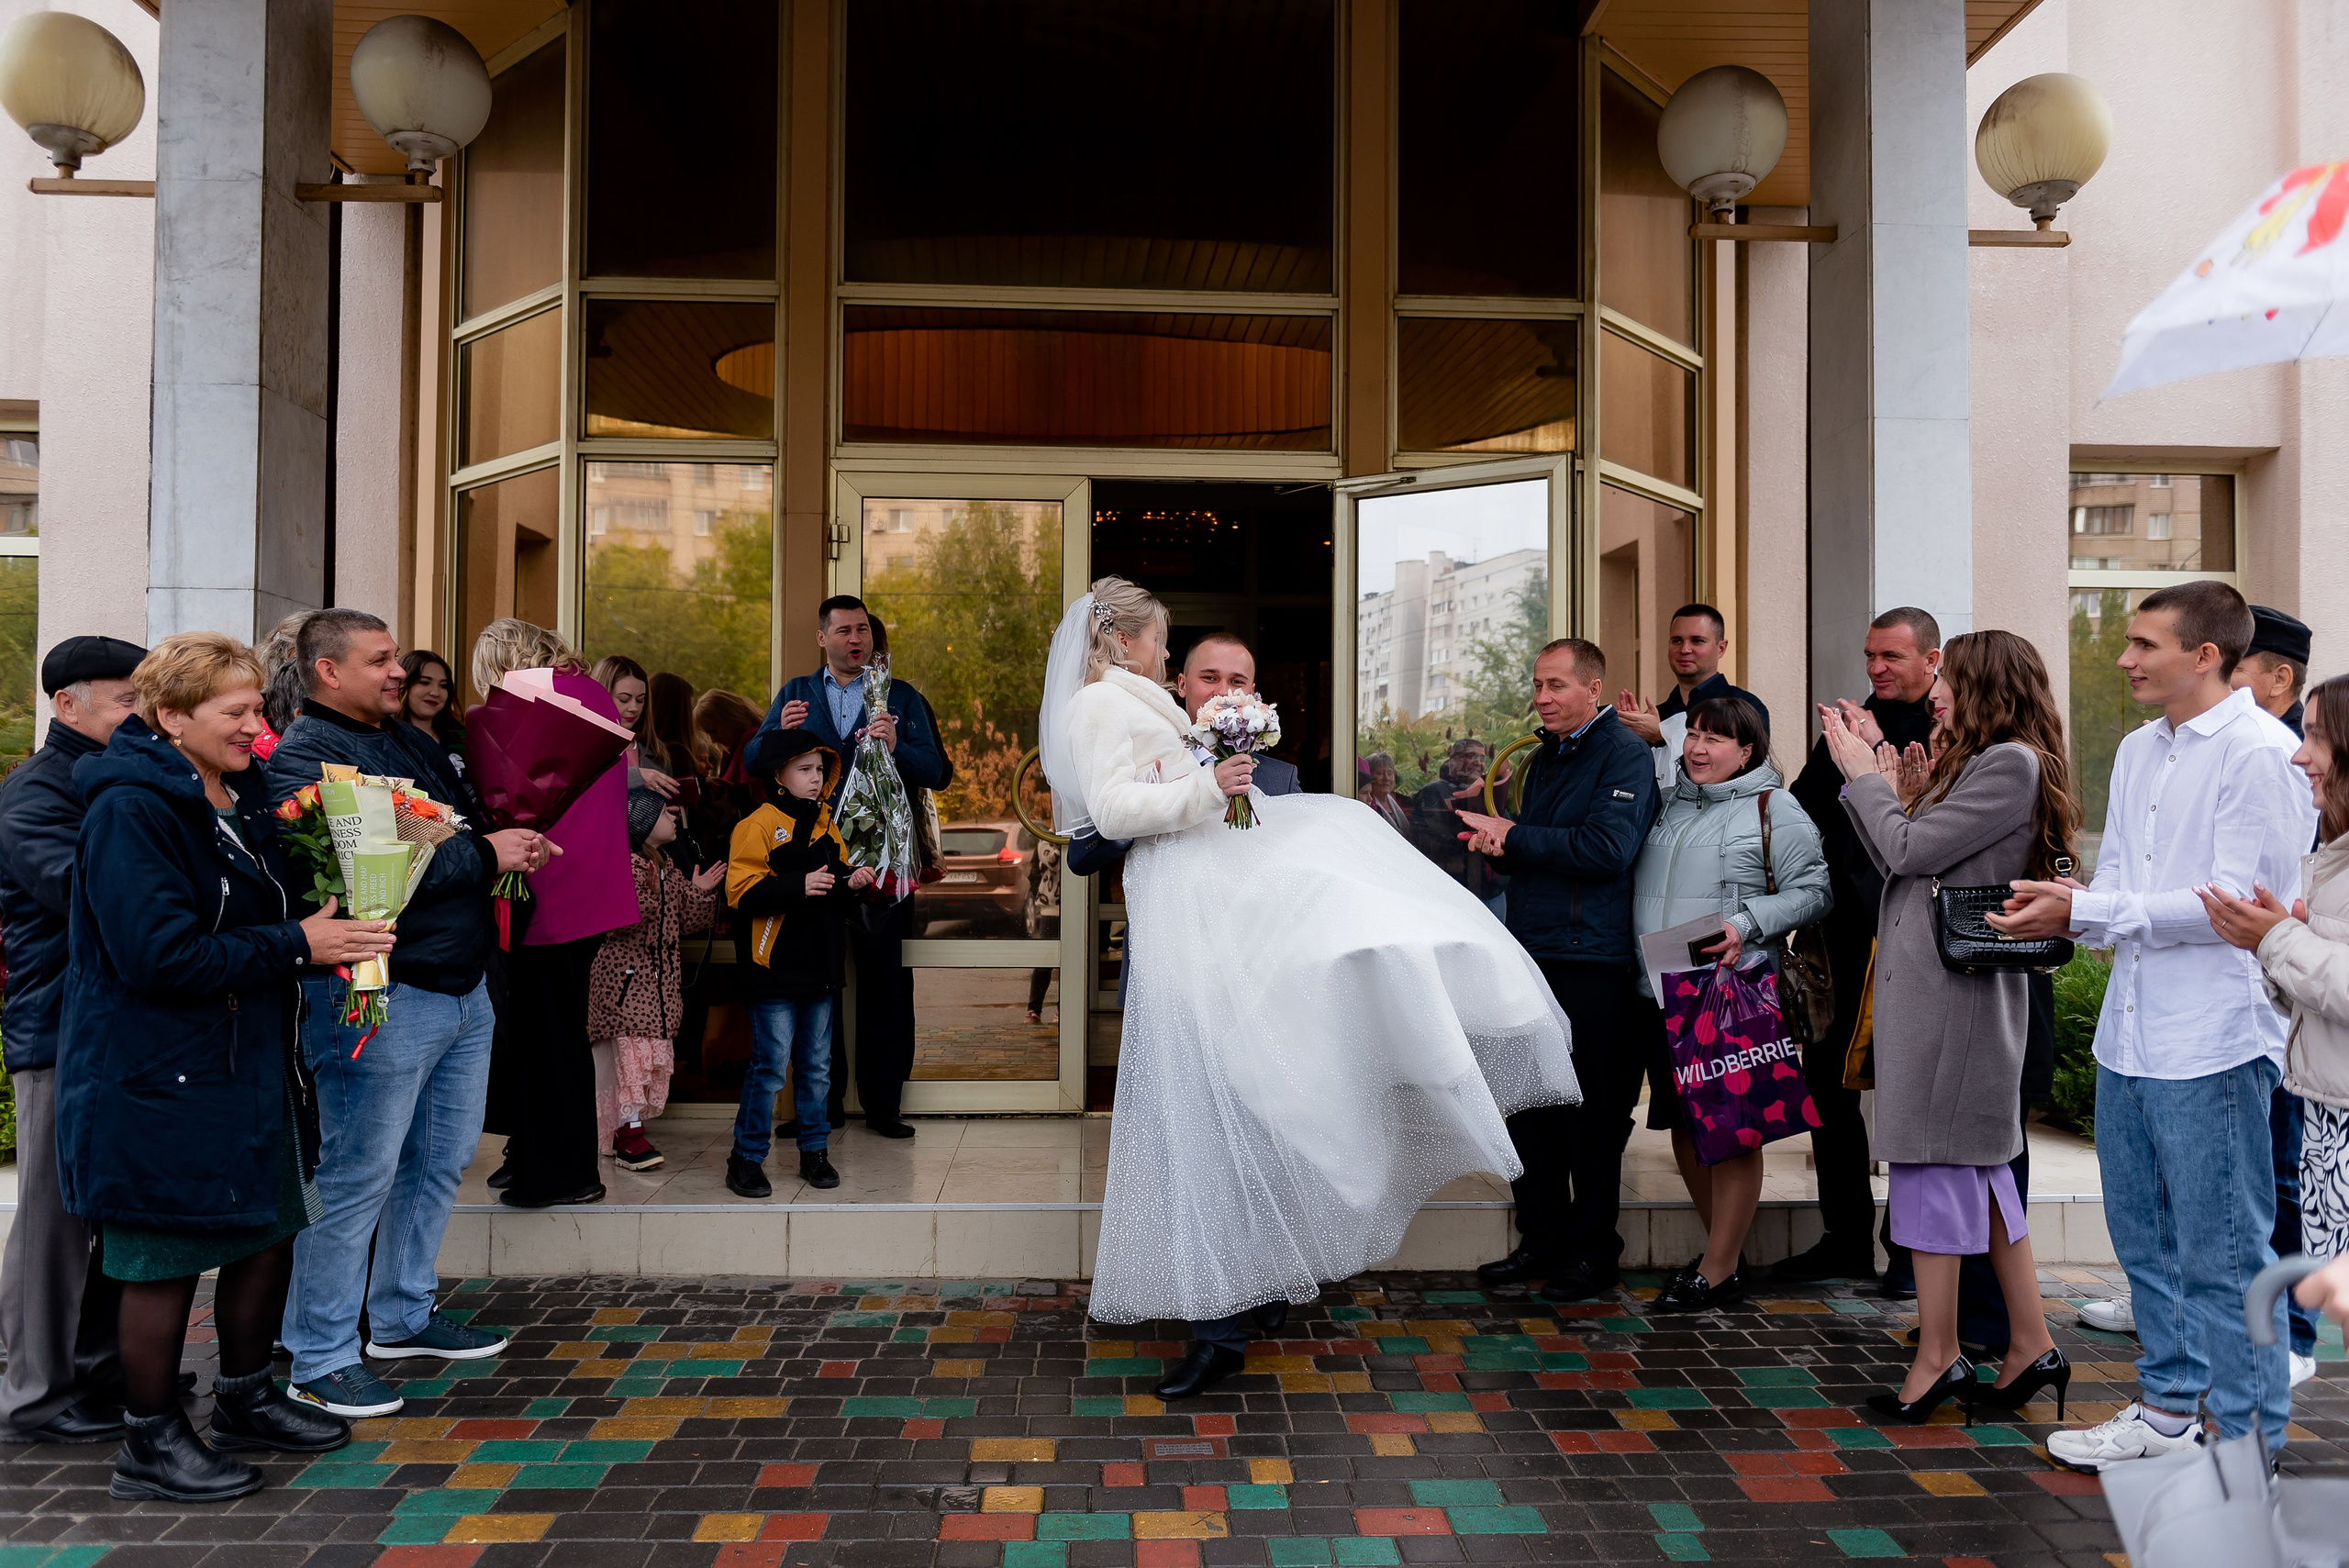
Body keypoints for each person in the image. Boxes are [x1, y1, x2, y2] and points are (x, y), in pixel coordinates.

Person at [1042, 578, 1576, 1400]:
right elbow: (1110, 814)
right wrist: (1208, 786)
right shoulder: (1109, 706)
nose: (1169, 655)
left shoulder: (1158, 711)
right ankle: (1221, 1320)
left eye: (1233, 681)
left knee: (1251, 1113)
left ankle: (1251, 1293)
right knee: (1199, 1120)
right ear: (1129, 642)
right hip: (1189, 933)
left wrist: (1224, 782)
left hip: (1234, 936)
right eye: (1164, 642)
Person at [60, 633, 392, 1499]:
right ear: (170, 716)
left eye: (258, 707)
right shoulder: (130, 807)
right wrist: (299, 942)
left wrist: (332, 917)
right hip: (159, 1079)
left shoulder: (237, 795)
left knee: (267, 1228)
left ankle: (246, 1397)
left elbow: (262, 917)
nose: (258, 726)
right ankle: (150, 1441)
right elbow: (156, 956)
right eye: (236, 712)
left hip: (248, 1065)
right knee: (161, 1257)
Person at [1995, 580, 2315, 1468]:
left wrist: (2085, 907)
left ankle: (2248, 1447)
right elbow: (2131, 887)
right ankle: (2169, 1412)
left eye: (2142, 643)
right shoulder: (2140, 746)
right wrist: (2073, 909)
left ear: (2203, 653)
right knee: (2143, 1243)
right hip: (2131, 1031)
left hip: (2210, 1036)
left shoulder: (2257, 750)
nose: (2124, 657)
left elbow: (2230, 904)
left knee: (2222, 1255)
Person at [265, 610, 546, 1419]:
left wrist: (491, 838)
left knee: (438, 1160)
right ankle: (318, 1355)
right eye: (381, 659)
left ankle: (401, 1316)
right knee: (356, 1176)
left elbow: (447, 829)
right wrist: (489, 850)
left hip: (460, 988)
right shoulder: (306, 757)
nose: (401, 671)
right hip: (379, 994)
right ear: (327, 670)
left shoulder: (408, 741)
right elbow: (388, 856)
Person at [1821, 629, 2076, 1423]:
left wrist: (1866, 778)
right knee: (1985, 1178)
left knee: (1932, 1173)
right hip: (1951, 1001)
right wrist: (1894, 781)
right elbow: (1905, 853)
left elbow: (1905, 848)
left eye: (1949, 679)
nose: (1936, 691)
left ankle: (1940, 1356)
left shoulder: (2009, 763)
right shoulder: (1984, 761)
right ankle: (2030, 1342)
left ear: (1986, 685)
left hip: (1955, 1007)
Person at [1453, 638, 1658, 1304]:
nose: (1542, 697)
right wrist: (1501, 846)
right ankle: (1540, 1240)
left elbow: (1606, 849)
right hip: (1532, 951)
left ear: (1594, 689)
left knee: (1589, 1116)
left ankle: (1593, 1253)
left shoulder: (1624, 752)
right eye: (1538, 685)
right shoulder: (1543, 757)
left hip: (1590, 960)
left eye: (1557, 685)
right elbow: (1545, 850)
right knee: (1528, 1107)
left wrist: (1512, 836)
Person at [1632, 696, 1831, 1313]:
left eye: (1714, 738)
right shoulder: (1671, 804)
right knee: (1687, 1129)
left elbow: (1815, 890)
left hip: (1728, 990)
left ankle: (1717, 1268)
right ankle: (1726, 1252)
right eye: (1692, 733)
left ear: (1747, 751)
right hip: (1662, 989)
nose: (1696, 746)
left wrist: (1748, 921)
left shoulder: (1775, 807)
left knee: (1733, 1132)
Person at [0, 636, 144, 1444]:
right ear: (67, 703)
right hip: (58, 1031)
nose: (140, 715)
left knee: (107, 1214)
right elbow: (86, 895)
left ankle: (98, 1372)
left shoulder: (112, 776)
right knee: (52, 1227)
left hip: (116, 1030)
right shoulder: (35, 793)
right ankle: (34, 1396)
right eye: (125, 699)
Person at [1777, 606, 1944, 1287]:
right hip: (1842, 932)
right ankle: (1843, 1237)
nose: (1876, 669)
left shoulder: (1948, 729)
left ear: (1932, 660)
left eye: (1893, 657)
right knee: (1825, 1083)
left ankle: (1909, 1250)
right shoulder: (1844, 728)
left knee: (1911, 1093)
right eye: (1870, 655)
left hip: (1918, 938)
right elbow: (1804, 807)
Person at [2199, 668, 2349, 1392]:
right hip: (2330, 1120)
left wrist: (2274, 942)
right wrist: (2272, 942)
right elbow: (2316, 997)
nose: (2299, 755)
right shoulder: (2332, 853)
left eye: (2315, 736)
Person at [753, 595, 950, 1139]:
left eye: (861, 629)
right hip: (813, 862)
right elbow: (751, 762)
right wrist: (775, 737)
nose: (854, 639)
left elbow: (939, 771)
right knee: (817, 985)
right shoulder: (797, 693)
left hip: (883, 863)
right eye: (842, 631)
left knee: (886, 985)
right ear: (823, 638)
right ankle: (823, 1108)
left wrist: (898, 747)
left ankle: (884, 1106)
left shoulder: (902, 697)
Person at [470, 618, 638, 1209]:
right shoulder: (590, 693)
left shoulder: (527, 699)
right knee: (559, 1033)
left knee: (544, 1038)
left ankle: (559, 1174)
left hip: (546, 885)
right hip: (591, 888)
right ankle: (557, 1164)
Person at [2228, 604, 2323, 1382]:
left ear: (2277, 677)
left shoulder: (2283, 754)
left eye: (2236, 668)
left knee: (2282, 1175)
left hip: (2283, 1007)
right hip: (2273, 993)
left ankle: (2293, 1333)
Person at [723, 729, 874, 1196]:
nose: (815, 778)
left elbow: (836, 878)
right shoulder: (758, 824)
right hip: (773, 969)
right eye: (805, 770)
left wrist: (853, 883)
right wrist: (797, 886)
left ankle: (815, 1152)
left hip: (820, 969)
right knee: (770, 1068)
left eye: (820, 770)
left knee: (816, 1068)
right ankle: (745, 1159)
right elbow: (740, 891)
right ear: (780, 776)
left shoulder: (828, 823)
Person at [587, 789, 725, 1171]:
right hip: (625, 987)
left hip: (656, 989)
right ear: (643, 825)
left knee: (644, 1061)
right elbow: (625, 916)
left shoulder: (664, 864)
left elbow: (686, 919)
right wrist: (652, 888)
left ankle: (627, 1130)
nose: (674, 817)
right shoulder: (625, 865)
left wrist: (698, 892)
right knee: (629, 1060)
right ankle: (629, 1136)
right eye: (664, 813)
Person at [1618, 604, 1772, 792]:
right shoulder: (1660, 714)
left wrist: (1663, 735)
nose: (1685, 649)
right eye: (1676, 641)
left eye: (1697, 641)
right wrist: (1630, 741)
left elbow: (1751, 776)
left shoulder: (1745, 705)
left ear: (1721, 648)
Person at [1411, 738, 1508, 919]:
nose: (1478, 763)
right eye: (1471, 756)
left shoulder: (1487, 791)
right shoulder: (1433, 792)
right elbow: (1426, 841)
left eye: (1482, 758)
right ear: (1452, 759)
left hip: (1493, 891)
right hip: (1456, 890)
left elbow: (1506, 831)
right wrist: (1467, 840)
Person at [395, 651, 468, 784]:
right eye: (424, 682)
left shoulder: (461, 738)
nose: (435, 692)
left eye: (443, 685)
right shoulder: (388, 738)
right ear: (403, 685)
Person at [1361, 751, 1411, 833]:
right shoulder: (1367, 804)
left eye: (1390, 773)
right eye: (1379, 773)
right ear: (1369, 776)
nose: (1386, 778)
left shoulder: (1400, 801)